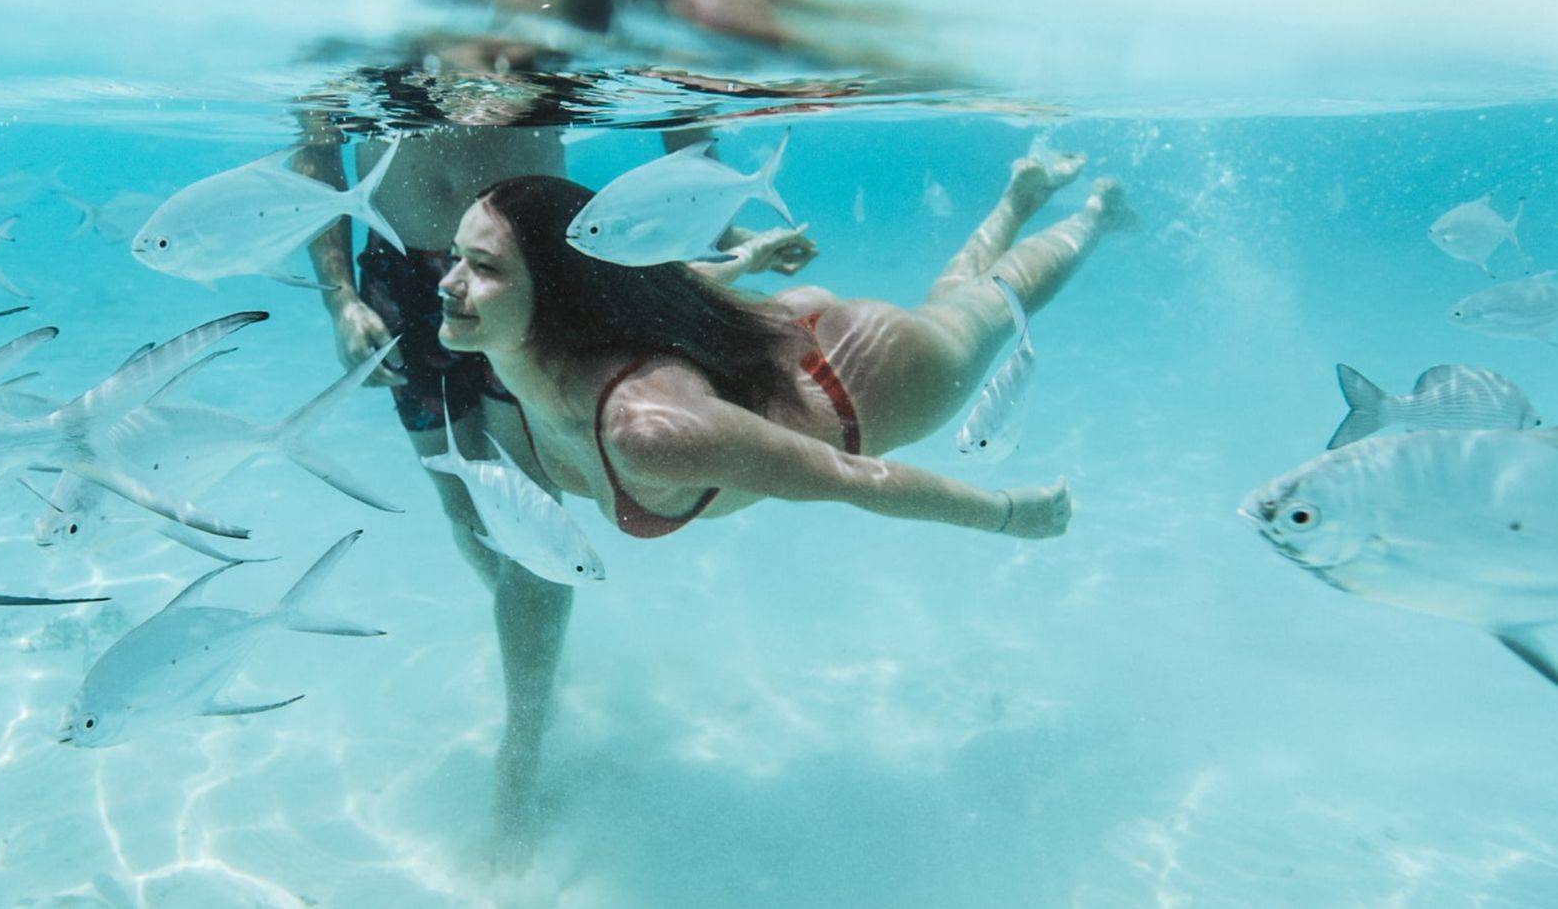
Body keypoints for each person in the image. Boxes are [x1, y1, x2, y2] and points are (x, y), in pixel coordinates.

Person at [291, 45, 812, 865]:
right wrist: (339, 295)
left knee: (532, 529)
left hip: (532, 282)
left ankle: (521, 752)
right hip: (397, 279)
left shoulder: (536, 39)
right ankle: (535, 658)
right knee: (465, 515)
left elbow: (675, 106)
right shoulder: (365, 46)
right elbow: (316, 155)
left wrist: (719, 220)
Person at [435, 152, 1134, 542]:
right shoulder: (534, 358)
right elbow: (643, 289)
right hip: (779, 338)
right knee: (951, 306)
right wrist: (745, 263)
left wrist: (1008, 514)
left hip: (865, 379)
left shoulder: (647, 433)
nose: (447, 284)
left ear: (557, 293)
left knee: (991, 304)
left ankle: (1097, 214)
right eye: (457, 257)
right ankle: (1020, 193)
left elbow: (849, 478)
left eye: (484, 266)